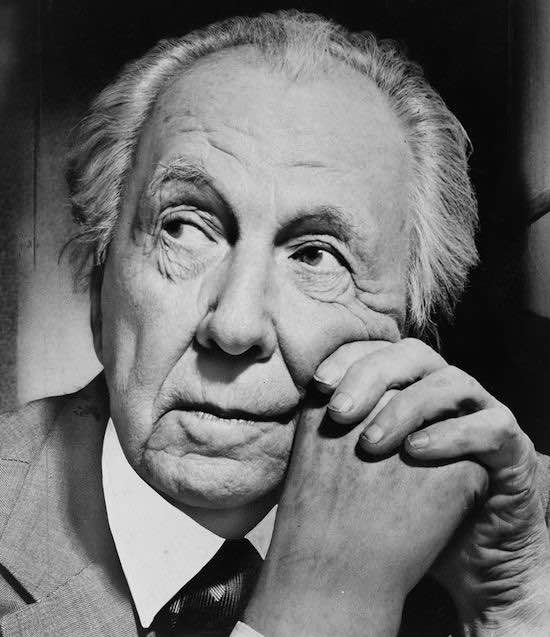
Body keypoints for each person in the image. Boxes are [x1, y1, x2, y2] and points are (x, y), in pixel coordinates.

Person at [1, 10, 549, 637]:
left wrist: (516, 614)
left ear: (410, 336)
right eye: (184, 228)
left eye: (316, 256)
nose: (234, 329)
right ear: (100, 288)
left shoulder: (526, 543)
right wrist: (314, 609)